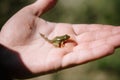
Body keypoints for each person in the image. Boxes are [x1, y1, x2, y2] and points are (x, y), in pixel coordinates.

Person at [0, 0, 120, 79]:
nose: (68, 38)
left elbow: (64, 38)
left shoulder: (66, 38)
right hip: (55, 41)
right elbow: (61, 41)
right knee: (54, 41)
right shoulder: (63, 39)